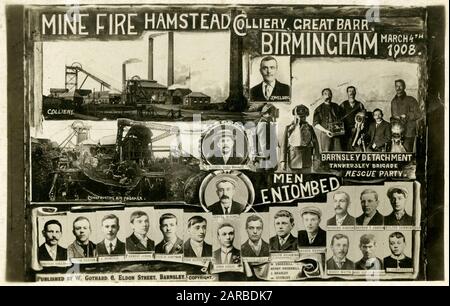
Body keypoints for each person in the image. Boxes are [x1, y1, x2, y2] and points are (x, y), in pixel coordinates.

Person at [280, 104, 320, 172]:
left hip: (306, 161)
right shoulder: (289, 128)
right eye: (299, 116)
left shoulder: (309, 128)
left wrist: (316, 160)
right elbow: (284, 145)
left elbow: (315, 144)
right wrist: (283, 161)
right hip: (293, 161)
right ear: (295, 116)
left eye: (303, 117)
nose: (301, 119)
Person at [390, 79, 422, 152]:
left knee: (407, 155)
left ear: (404, 87)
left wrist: (406, 115)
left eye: (400, 86)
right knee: (398, 155)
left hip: (408, 132)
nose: (398, 88)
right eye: (396, 86)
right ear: (395, 87)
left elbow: (418, 114)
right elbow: (393, 116)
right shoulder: (393, 101)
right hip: (397, 133)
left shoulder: (411, 100)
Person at [340, 86, 366, 151]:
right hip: (345, 130)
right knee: (345, 147)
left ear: (355, 92)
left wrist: (362, 125)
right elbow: (339, 117)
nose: (351, 93)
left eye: (352, 91)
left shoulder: (360, 104)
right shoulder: (343, 104)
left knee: (355, 147)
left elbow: (363, 117)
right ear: (347, 93)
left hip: (357, 129)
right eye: (349, 91)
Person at [255, 103, 279, 170]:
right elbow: (263, 142)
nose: (273, 115)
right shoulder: (263, 124)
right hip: (267, 155)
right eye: (273, 112)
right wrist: (267, 155)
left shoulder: (267, 123)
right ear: (268, 113)